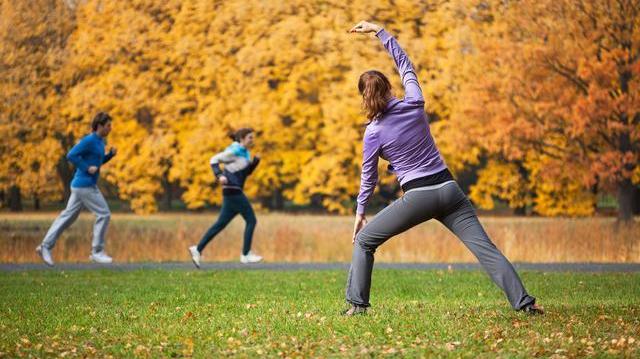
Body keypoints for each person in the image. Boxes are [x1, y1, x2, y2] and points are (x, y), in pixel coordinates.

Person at [343, 21, 544, 316]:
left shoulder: (373, 132)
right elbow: (405, 64)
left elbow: (368, 178)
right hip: (450, 191)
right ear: (389, 87)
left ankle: (357, 307)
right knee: (485, 249)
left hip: (419, 196)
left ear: (364, 96)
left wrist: (360, 213)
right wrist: (380, 31)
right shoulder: (415, 102)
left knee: (364, 241)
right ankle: (524, 303)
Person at [36, 112, 116, 266]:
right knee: (104, 214)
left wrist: (109, 156)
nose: (110, 128)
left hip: (81, 186)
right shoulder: (90, 140)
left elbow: (97, 163)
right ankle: (97, 252)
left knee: (67, 217)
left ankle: (45, 246)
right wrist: (86, 168)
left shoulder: (100, 142)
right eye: (108, 126)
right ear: (99, 126)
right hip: (85, 185)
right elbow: (71, 155)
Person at [188, 128, 263, 268]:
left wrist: (254, 163)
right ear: (242, 139)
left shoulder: (245, 153)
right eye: (250, 138)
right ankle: (245, 255)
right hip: (233, 190)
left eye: (253, 137)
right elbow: (214, 159)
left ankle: (197, 249)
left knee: (220, 225)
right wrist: (219, 175)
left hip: (231, 191)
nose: (253, 140)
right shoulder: (234, 151)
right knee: (251, 220)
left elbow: (244, 174)